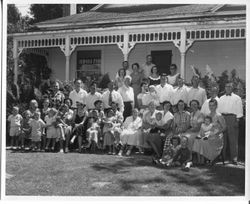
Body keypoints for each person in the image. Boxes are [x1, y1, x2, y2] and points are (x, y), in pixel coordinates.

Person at [193, 99, 226, 165]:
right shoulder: (207, 115)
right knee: (197, 140)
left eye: (213, 105)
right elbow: (205, 126)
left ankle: (209, 158)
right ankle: (200, 160)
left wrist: (217, 133)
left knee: (204, 141)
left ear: (216, 106)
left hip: (217, 136)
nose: (211, 107)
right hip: (207, 134)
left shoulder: (219, 116)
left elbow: (225, 127)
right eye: (210, 105)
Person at [218, 82, 243, 165]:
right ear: (224, 88)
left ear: (232, 88)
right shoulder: (221, 98)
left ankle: (234, 158)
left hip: (232, 118)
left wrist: (237, 120)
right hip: (222, 118)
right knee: (222, 139)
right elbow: (218, 110)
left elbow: (239, 110)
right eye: (226, 86)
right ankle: (223, 157)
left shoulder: (237, 98)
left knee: (233, 139)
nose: (228, 88)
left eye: (230, 86)